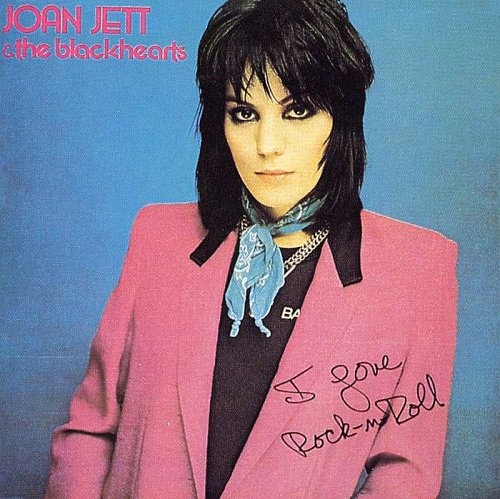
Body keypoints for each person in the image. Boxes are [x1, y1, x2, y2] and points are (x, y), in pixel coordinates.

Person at [45, 1, 458, 497]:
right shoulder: (157, 238)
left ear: (342, 117)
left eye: (297, 110)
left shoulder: (418, 268)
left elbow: (405, 474)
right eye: (244, 113)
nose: (267, 144)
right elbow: (90, 432)